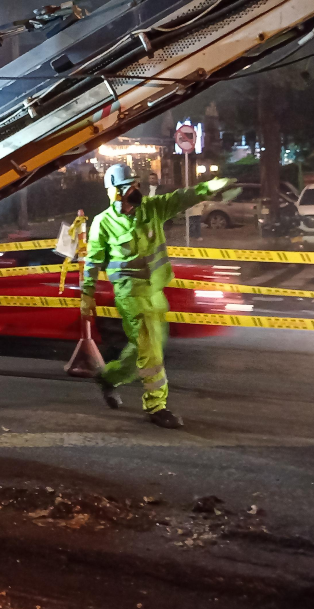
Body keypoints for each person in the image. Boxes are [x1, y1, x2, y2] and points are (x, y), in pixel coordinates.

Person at [81, 164, 236, 429]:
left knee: (147, 347)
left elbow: (181, 198)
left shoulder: (152, 209)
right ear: (115, 192)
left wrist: (207, 188)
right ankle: (156, 406)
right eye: (128, 186)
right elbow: (92, 262)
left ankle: (108, 378)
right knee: (150, 350)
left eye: (136, 184)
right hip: (130, 295)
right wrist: (87, 295)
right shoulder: (103, 223)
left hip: (155, 292)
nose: (135, 190)